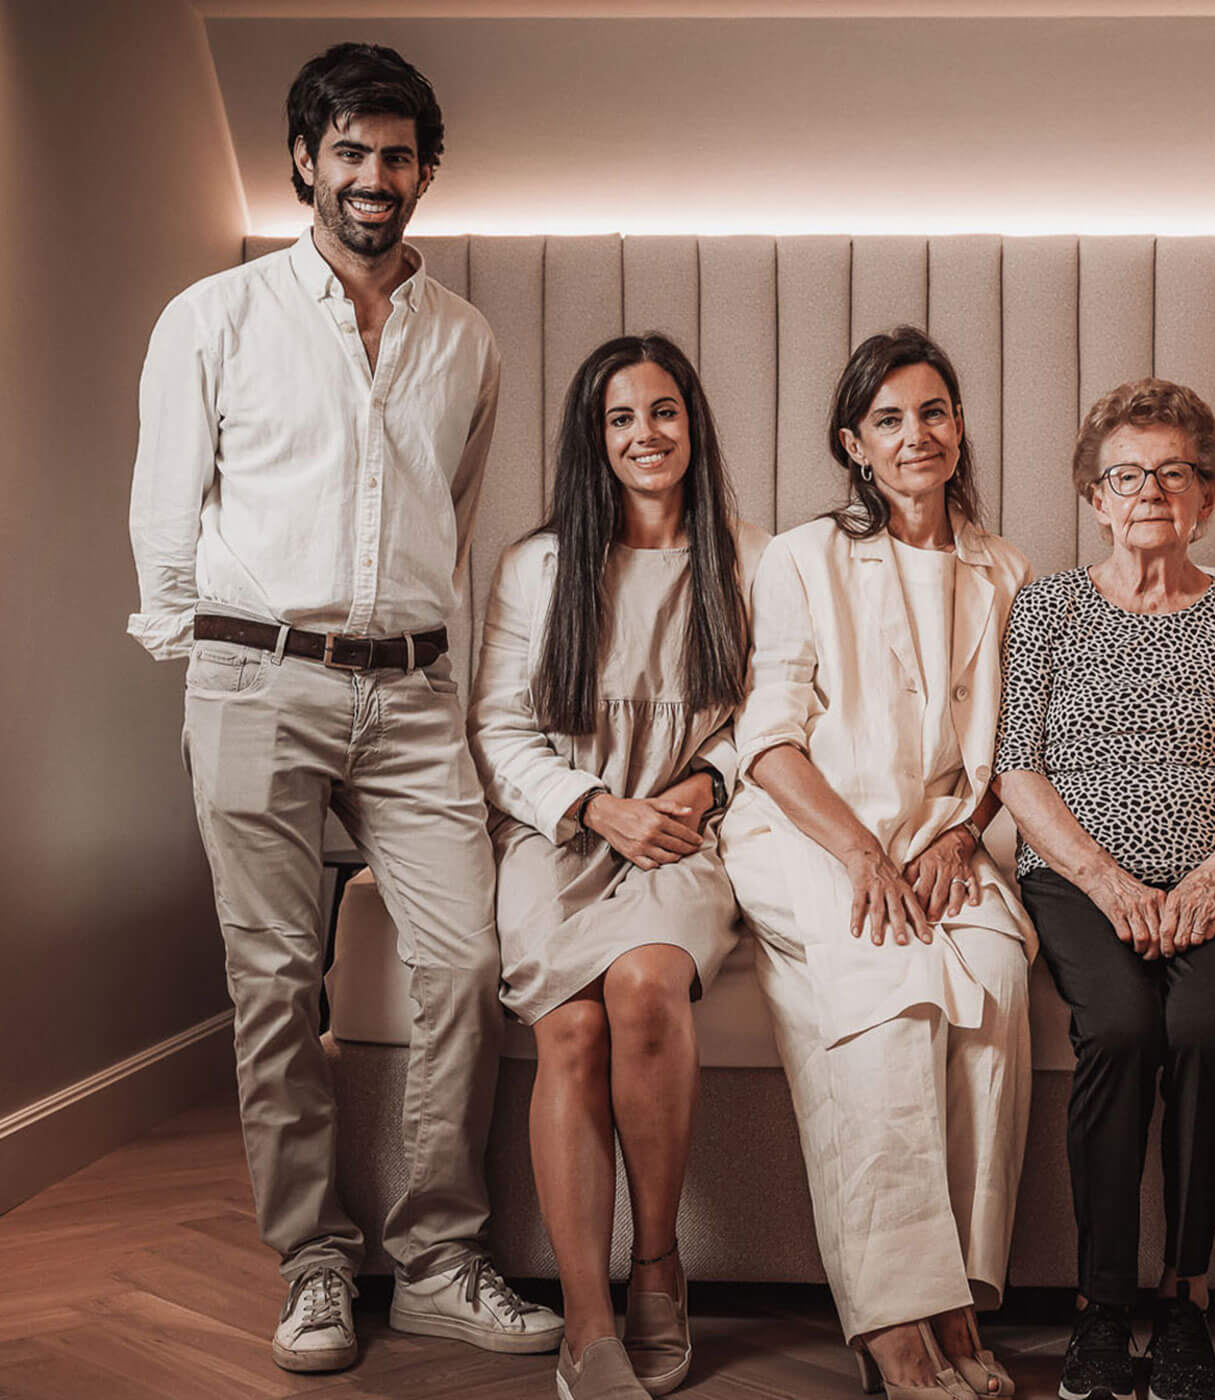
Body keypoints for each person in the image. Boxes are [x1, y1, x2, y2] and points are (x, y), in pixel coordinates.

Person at [125, 42, 560, 1374]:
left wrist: (426, 661)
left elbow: (451, 517)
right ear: (305, 163)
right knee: (273, 981)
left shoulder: (468, 340)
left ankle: (436, 1259)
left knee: (466, 962)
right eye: (352, 152)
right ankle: (314, 1261)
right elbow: (163, 517)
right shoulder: (215, 317)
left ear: (426, 173)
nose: (376, 176)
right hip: (255, 679)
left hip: (414, 695)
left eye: (398, 156)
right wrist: (215, 656)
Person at [718, 326, 1032, 1400]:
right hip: (812, 830)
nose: (916, 435)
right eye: (888, 420)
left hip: (943, 838)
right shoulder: (803, 557)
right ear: (854, 444)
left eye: (933, 411)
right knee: (893, 996)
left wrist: (958, 836)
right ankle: (896, 1322)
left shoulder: (1004, 568)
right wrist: (863, 852)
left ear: (960, 426)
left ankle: (957, 1297)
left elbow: (1012, 750)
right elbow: (768, 739)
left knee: (995, 986)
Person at [470, 334, 764, 1399]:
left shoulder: (750, 556)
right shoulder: (538, 565)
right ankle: (586, 1318)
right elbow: (498, 730)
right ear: (593, 438)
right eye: (622, 417)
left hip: (683, 831)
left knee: (643, 986)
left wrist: (705, 787)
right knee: (573, 1025)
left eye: (665, 411)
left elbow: (776, 712)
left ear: (694, 423)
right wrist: (596, 806)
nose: (647, 434)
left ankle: (657, 1267)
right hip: (561, 833)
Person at [996, 379, 1215, 1400]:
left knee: (1206, 1035)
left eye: (1175, 473)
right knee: (1123, 1032)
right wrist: (1108, 881)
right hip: (1080, 878)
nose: (1150, 493)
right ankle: (1100, 1305)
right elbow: (1015, 767)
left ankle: (1187, 1296)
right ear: (1095, 496)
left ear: (1207, 497)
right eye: (1126, 475)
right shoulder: (1046, 607)